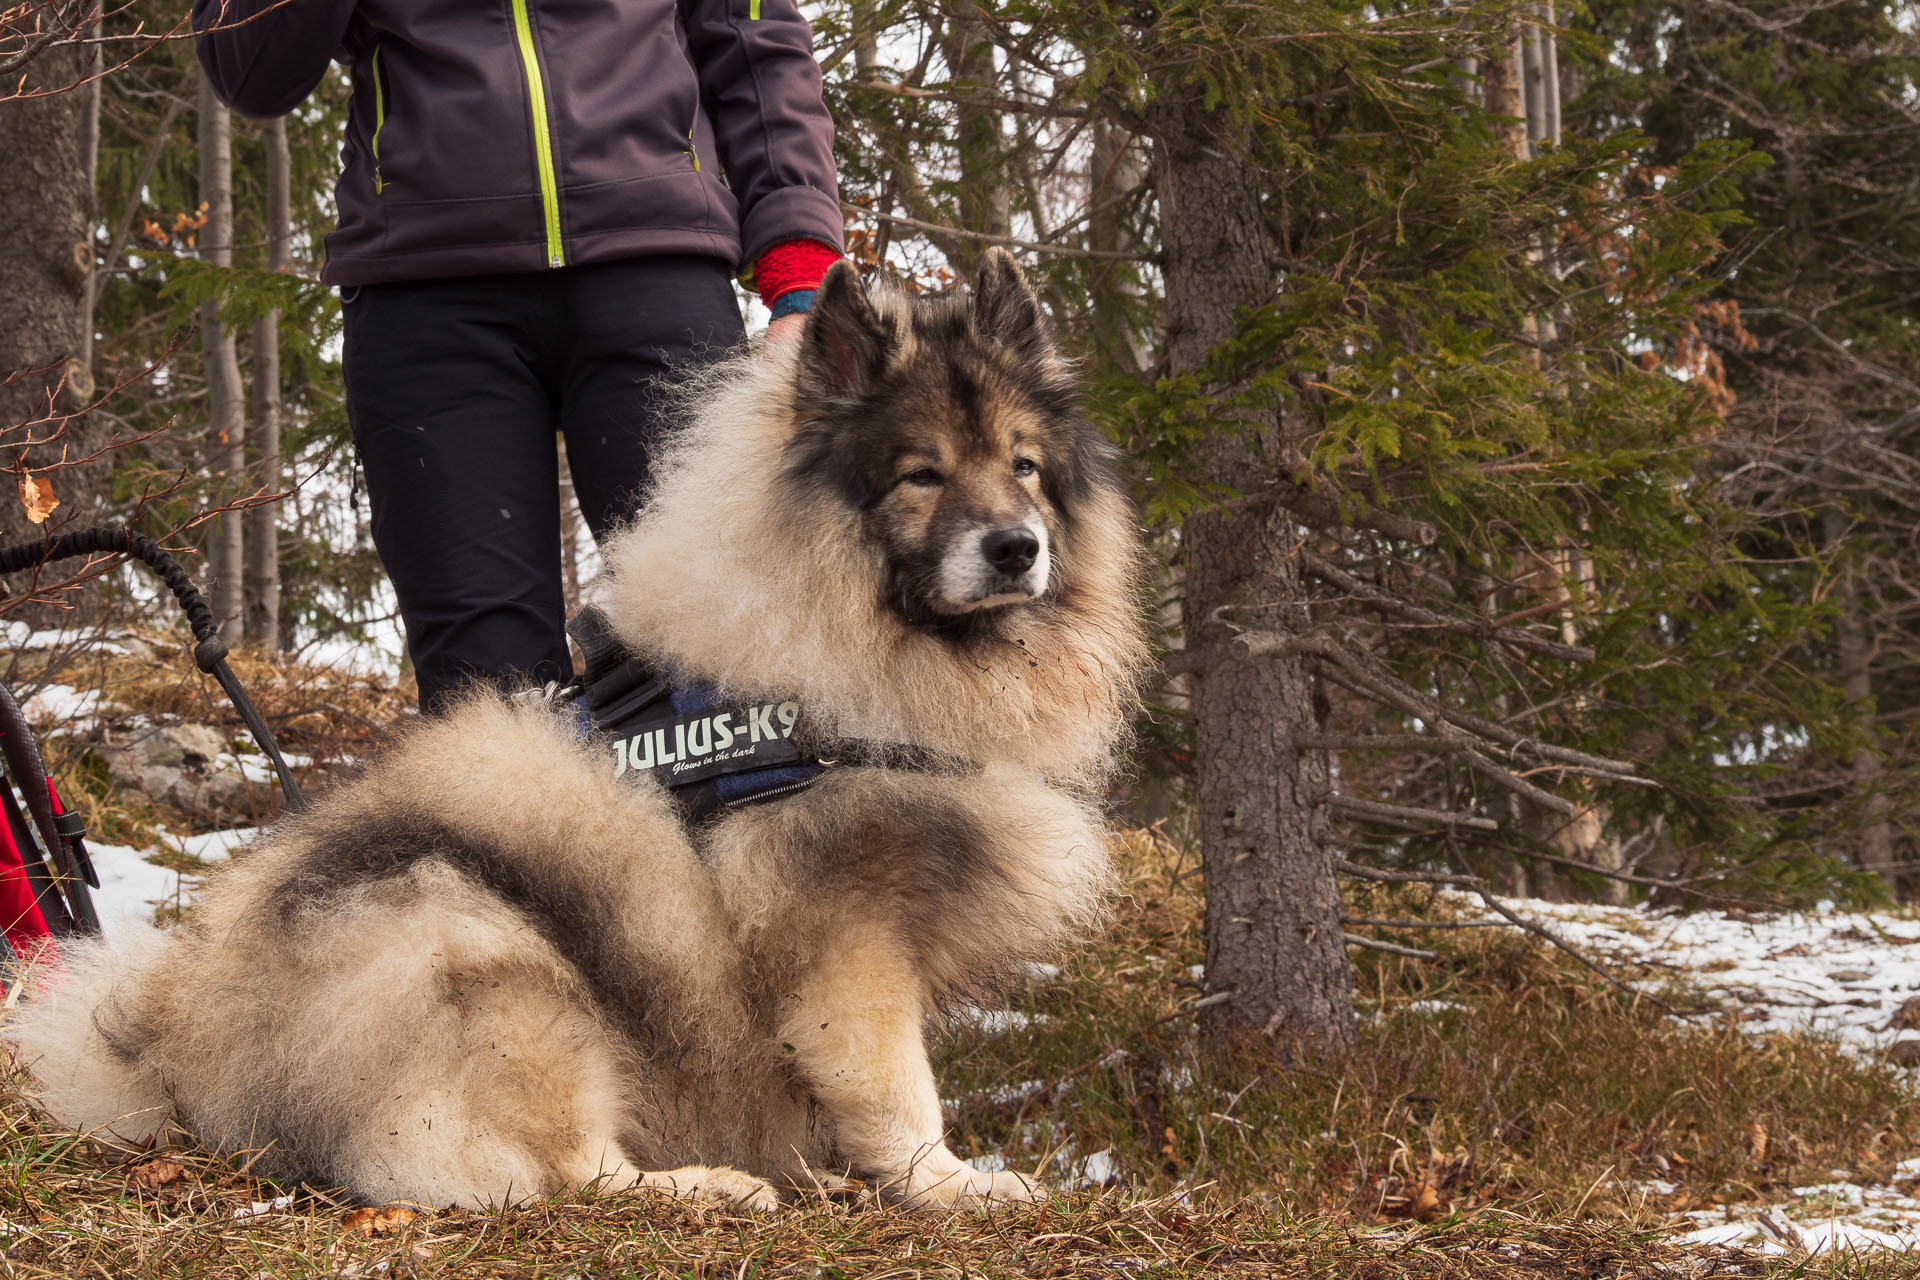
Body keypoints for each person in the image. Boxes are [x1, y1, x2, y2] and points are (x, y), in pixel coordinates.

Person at [191, 0, 843, 711]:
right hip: (428, 301)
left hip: (655, 269)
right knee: (490, 698)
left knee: (720, 662)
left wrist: (800, 271)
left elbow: (752, 35)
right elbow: (251, 71)